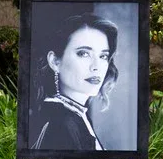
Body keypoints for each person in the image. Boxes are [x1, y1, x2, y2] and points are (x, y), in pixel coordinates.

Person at [29, 13, 119, 151]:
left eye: (103, 56)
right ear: (55, 61)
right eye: (84, 53)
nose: (96, 66)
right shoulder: (61, 123)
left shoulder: (77, 115)